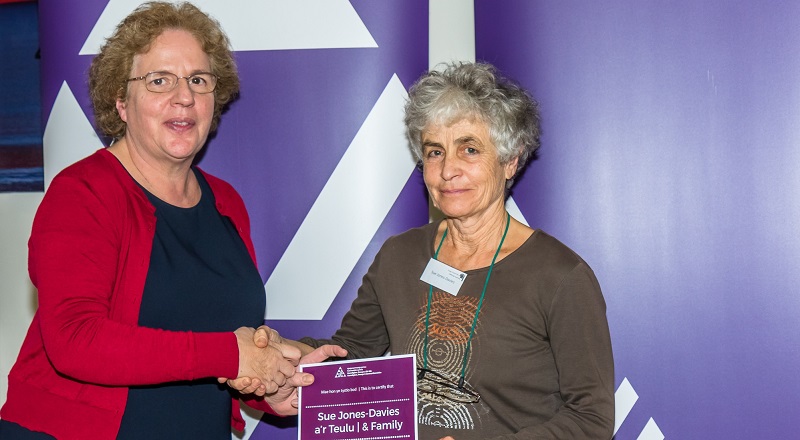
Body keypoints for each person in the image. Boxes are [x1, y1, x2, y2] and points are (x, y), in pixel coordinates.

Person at [0, 2, 343, 439]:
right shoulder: (82, 192)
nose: (184, 97)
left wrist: (267, 387)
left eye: (198, 80)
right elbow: (75, 340)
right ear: (121, 102)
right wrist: (231, 355)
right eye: (159, 80)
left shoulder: (227, 202)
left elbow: (216, 347)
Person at [238, 61, 615, 439]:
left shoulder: (560, 277)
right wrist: (282, 352)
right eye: (435, 152)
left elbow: (591, 419)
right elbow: (351, 352)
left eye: (469, 149)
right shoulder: (399, 256)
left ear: (510, 161)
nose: (448, 169)